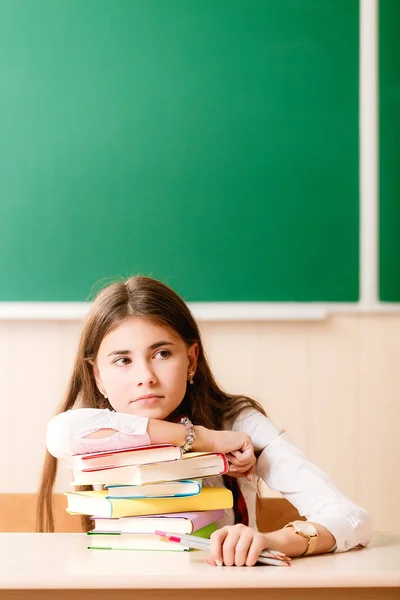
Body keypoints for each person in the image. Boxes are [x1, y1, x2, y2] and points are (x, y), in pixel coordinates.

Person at [37, 276, 372, 566]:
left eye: (162, 354)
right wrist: (201, 440)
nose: (146, 377)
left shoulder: (237, 423)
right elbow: (61, 433)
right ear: (98, 377)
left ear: (191, 358)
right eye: (122, 360)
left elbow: (351, 518)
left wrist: (274, 541)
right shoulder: (97, 431)